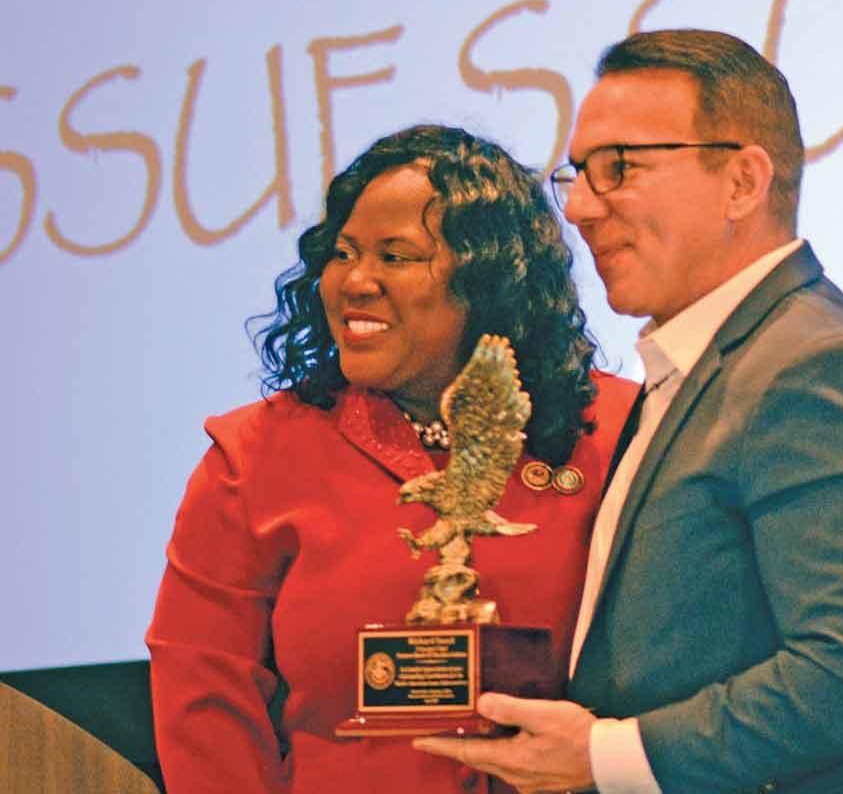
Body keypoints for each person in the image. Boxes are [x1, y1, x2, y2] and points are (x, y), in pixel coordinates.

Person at [413, 29, 843, 794]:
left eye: (619, 169)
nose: (577, 208)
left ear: (742, 181)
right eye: (576, 174)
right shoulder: (698, 367)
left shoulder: (820, 367)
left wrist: (603, 757)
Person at [145, 124, 639, 793]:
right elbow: (207, 715)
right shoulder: (253, 458)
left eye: (396, 256)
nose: (356, 281)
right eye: (344, 253)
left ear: (488, 279)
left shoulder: (620, 433)